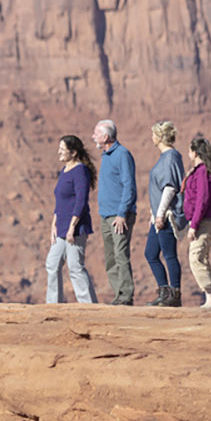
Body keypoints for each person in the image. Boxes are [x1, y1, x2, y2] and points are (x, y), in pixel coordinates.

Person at [46, 135, 99, 304]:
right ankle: (53, 305)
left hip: (75, 227)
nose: (59, 152)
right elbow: (60, 201)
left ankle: (89, 307)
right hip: (60, 227)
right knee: (52, 265)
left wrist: (72, 227)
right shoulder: (64, 170)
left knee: (75, 267)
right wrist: (53, 224)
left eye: (62, 150)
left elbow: (81, 201)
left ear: (73, 152)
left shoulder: (80, 171)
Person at [92, 119, 138, 305]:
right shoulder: (106, 155)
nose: (93, 136)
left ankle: (126, 295)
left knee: (120, 254)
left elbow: (129, 186)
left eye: (96, 133)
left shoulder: (122, 154)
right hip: (106, 215)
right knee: (110, 258)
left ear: (105, 136)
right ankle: (119, 294)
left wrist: (121, 214)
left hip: (119, 216)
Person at [143, 120, 187, 307]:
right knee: (151, 253)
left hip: (167, 216)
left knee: (169, 254)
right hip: (159, 215)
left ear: (159, 137)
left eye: (154, 134)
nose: (151, 137)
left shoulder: (170, 157)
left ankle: (174, 294)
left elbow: (169, 188)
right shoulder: (165, 157)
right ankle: (164, 290)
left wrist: (160, 214)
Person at [182, 135, 211, 310]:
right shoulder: (200, 171)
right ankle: (210, 298)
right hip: (202, 220)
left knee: (196, 257)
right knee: (202, 257)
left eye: (189, 150)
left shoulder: (202, 172)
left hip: (204, 221)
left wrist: (194, 225)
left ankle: (210, 298)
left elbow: (202, 199)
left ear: (194, 152)